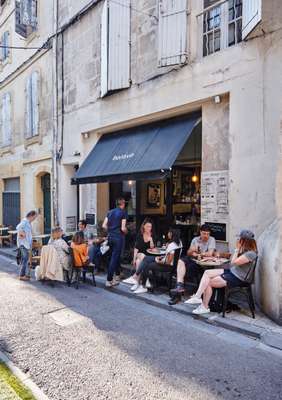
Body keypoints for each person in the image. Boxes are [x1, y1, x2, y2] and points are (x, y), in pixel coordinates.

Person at [185, 230, 258, 315]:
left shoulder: (251, 254)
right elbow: (232, 261)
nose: (238, 240)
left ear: (244, 241)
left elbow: (233, 263)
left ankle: (204, 307)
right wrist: (220, 256)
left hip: (238, 278)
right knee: (207, 273)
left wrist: (237, 249)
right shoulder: (246, 251)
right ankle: (197, 297)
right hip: (233, 273)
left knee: (208, 282)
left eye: (240, 238)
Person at [169, 225, 216, 303]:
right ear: (200, 232)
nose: (206, 236)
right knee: (180, 262)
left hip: (201, 265)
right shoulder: (195, 239)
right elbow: (189, 253)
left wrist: (199, 254)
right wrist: (193, 251)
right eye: (204, 233)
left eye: (208, 234)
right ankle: (179, 286)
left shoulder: (211, 240)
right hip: (193, 261)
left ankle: (177, 294)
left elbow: (210, 253)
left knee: (180, 272)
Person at [133, 228, 182, 294]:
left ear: (171, 234)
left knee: (147, 265)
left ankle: (143, 286)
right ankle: (138, 276)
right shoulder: (179, 243)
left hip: (168, 266)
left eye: (169, 232)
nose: (167, 234)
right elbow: (170, 257)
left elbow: (168, 262)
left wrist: (158, 260)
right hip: (172, 264)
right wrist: (161, 257)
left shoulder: (171, 245)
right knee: (146, 258)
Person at [102, 198, 127, 288]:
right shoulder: (123, 212)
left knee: (113, 257)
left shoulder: (110, 212)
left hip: (110, 237)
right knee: (114, 258)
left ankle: (117, 274)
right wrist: (126, 231)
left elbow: (103, 225)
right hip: (118, 237)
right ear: (122, 204)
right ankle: (109, 280)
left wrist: (110, 231)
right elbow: (123, 228)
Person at [123, 218, 155, 285]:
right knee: (140, 256)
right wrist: (134, 259)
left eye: (150, 227)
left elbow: (152, 248)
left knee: (138, 262)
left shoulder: (152, 235)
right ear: (144, 226)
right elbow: (136, 248)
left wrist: (151, 239)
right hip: (140, 254)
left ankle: (138, 281)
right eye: (148, 226)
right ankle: (145, 280)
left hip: (148, 256)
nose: (149, 228)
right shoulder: (140, 235)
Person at [16, 210, 38, 281]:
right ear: (31, 216)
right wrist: (22, 234)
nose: (34, 219)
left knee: (25, 259)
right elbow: (18, 227)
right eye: (34, 217)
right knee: (25, 259)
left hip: (26, 244)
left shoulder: (27, 222)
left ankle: (23, 275)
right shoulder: (25, 221)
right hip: (23, 244)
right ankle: (22, 275)